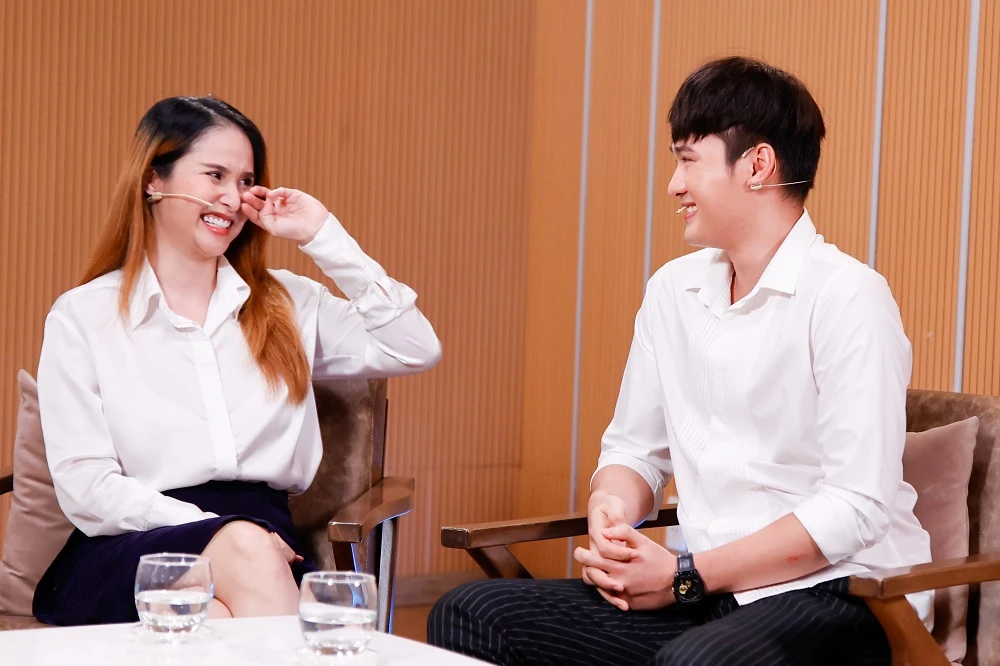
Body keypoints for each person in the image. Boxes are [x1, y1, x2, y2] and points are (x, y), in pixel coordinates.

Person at [428, 56, 931, 665]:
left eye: (689, 160)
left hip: (841, 594)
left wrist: (685, 575)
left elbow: (855, 507)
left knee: (693, 663)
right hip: (704, 592)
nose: (674, 185)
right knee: (470, 612)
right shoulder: (673, 290)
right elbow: (635, 452)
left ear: (757, 165)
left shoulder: (849, 296)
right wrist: (612, 516)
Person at [32, 95, 442, 626]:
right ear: (153, 180)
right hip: (132, 544)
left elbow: (414, 346)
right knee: (241, 554)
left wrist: (323, 236)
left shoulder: (288, 304)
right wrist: (219, 528)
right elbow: (86, 485)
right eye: (215, 175)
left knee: (217, 622)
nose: (232, 198)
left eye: (246, 181)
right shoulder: (83, 316)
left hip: (268, 543)